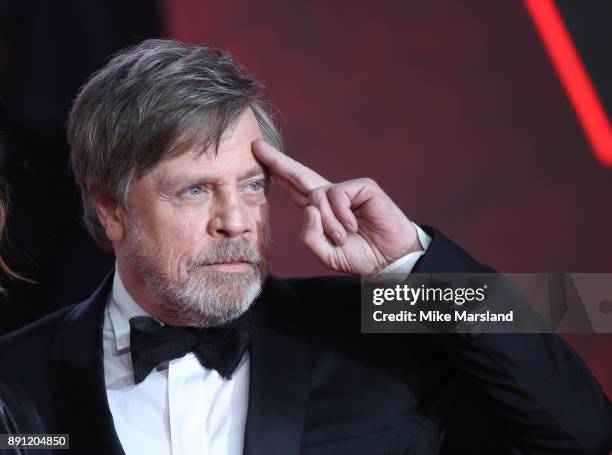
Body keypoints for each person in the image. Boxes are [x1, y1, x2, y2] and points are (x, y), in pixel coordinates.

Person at [0, 39, 609, 455]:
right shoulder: (16, 377)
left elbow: (581, 433)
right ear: (111, 209)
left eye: (253, 185)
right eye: (194, 190)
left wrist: (413, 266)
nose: (236, 221)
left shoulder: (373, 323)